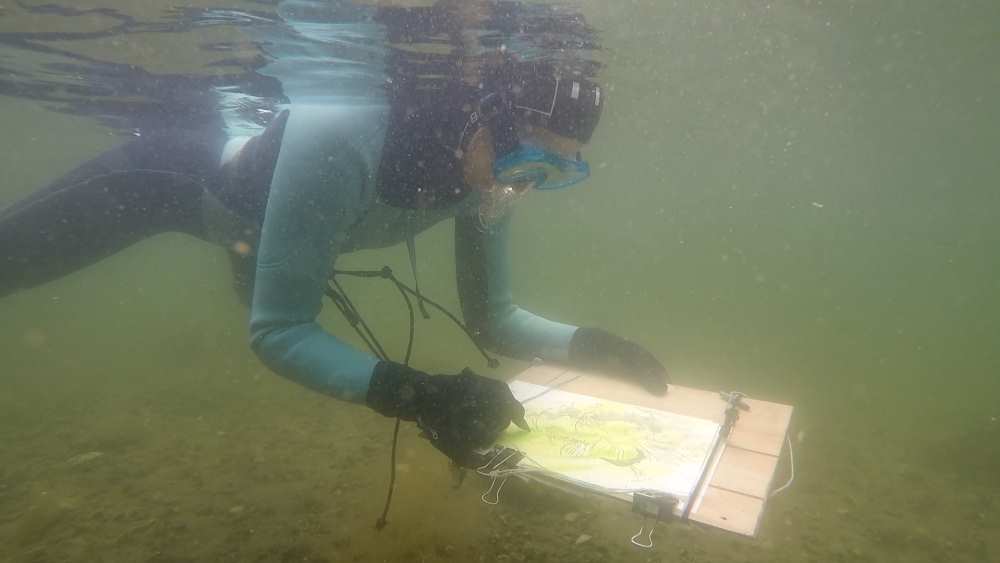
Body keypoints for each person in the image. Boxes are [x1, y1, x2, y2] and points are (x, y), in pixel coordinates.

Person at [0, 2, 668, 467]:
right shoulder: (342, 136)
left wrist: (593, 346)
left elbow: (493, 318)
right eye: (527, 160)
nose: (522, 187)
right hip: (167, 181)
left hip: (261, 236)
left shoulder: (488, 170)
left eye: (556, 172)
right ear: (484, 115)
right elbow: (279, 330)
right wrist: (420, 396)